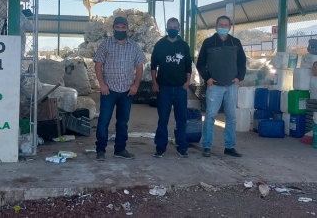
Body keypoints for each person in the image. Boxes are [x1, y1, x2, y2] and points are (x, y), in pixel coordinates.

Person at [93, 16, 146, 161]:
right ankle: (100, 151)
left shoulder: (134, 46)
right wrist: (102, 85)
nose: (120, 30)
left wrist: (136, 85)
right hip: (108, 90)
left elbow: (139, 66)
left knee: (122, 122)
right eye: (118, 27)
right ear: (113, 29)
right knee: (104, 121)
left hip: (127, 91)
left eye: (123, 28)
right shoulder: (106, 45)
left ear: (127, 29)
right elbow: (98, 64)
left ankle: (120, 149)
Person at [196, 15, 246, 157]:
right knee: (211, 115)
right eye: (221, 25)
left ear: (229, 27)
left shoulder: (235, 42)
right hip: (215, 86)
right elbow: (200, 63)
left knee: (231, 117)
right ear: (216, 26)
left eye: (226, 25)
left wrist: (239, 78)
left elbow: (242, 62)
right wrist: (207, 78)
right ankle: (207, 146)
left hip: (231, 86)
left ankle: (229, 146)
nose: (223, 27)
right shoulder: (209, 42)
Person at [151, 17, 192, 158]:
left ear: (179, 28)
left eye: (175, 27)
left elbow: (188, 65)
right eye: (170, 26)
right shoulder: (160, 45)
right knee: (163, 119)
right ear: (166, 28)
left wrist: (187, 82)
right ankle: (160, 147)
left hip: (181, 88)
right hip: (164, 88)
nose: (172, 29)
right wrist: (154, 82)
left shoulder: (184, 45)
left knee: (181, 118)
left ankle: (182, 147)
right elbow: (153, 66)